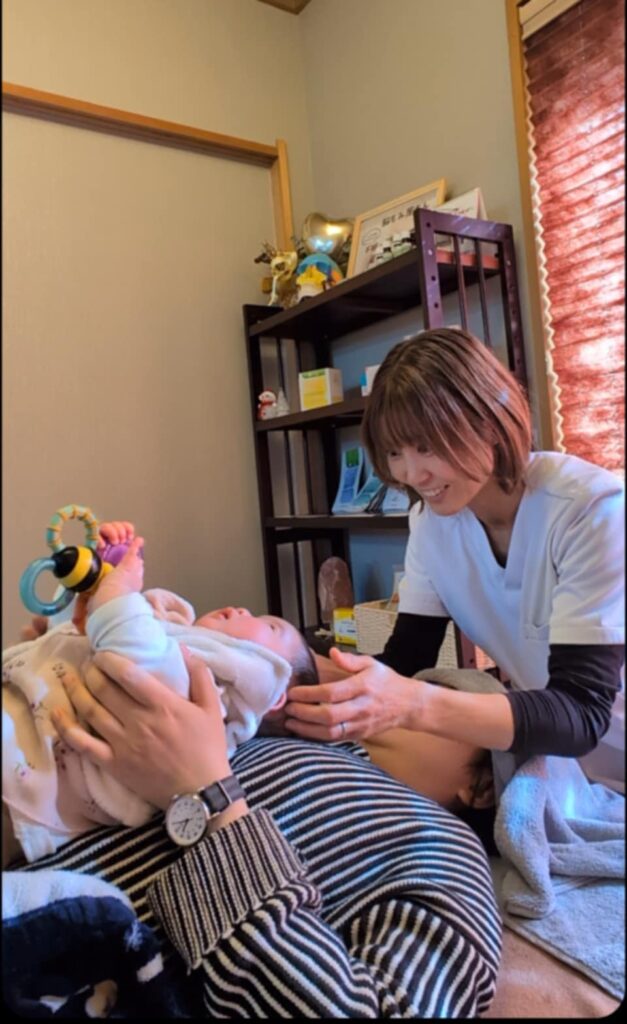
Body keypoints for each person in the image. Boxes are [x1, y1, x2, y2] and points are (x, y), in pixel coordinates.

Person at [4, 648, 502, 1018]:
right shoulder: (287, 738)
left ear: (481, 788)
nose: (394, 691)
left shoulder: (450, 857)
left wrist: (207, 795)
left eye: (441, 700)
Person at [284, 328, 625, 795]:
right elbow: (405, 662)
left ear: (489, 420)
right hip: (575, 777)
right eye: (395, 452)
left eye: (427, 446)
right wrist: (285, 667)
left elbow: (581, 713)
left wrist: (413, 704)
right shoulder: (432, 525)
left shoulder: (589, 510)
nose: (412, 473)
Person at [3, 522, 317, 864]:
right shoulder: (169, 635)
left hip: (20, 781)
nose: (244, 609)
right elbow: (72, 635)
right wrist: (92, 582)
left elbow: (142, 660)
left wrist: (117, 596)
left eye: (271, 626)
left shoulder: (212, 693)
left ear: (276, 694)